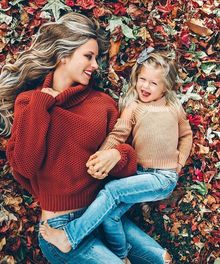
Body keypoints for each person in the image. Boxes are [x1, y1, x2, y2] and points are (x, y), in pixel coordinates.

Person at [0, 12, 173, 264]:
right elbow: (26, 166)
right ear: (63, 55)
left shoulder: (103, 104)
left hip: (102, 216)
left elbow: (125, 165)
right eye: (88, 56)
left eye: (96, 58)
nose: (95, 65)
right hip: (58, 230)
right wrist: (42, 103)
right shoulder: (30, 102)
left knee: (162, 259)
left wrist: (116, 154)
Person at [39, 49, 193, 263]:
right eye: (142, 79)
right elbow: (118, 134)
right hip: (141, 175)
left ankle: (70, 236)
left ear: (165, 88)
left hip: (163, 177)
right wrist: (100, 155)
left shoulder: (173, 107)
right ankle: (122, 255)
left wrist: (179, 163)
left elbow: (186, 135)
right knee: (111, 215)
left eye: (153, 83)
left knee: (111, 191)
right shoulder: (133, 108)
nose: (145, 87)